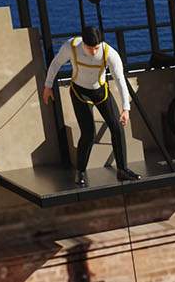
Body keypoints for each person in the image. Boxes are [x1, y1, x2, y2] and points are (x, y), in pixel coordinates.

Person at [41, 25, 140, 188]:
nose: (93, 51)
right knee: (88, 133)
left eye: (96, 47)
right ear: (83, 43)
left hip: (100, 92)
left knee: (116, 127)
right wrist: (48, 85)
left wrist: (126, 108)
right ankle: (80, 172)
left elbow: (121, 80)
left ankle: (122, 170)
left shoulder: (110, 53)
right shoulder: (71, 47)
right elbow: (56, 63)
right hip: (80, 93)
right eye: (89, 48)